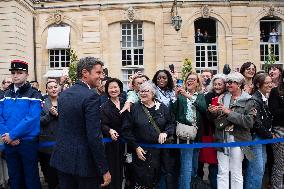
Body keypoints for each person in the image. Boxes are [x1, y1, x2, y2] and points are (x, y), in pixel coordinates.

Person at [50, 57, 111, 189]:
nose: (101, 76)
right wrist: (104, 169)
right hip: (84, 165)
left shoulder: (64, 94)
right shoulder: (91, 96)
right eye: (98, 72)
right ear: (85, 73)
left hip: (63, 161)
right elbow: (94, 136)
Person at [122, 81, 175, 189]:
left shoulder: (162, 107)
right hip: (141, 151)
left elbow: (171, 123)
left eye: (146, 91)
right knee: (141, 180)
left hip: (159, 152)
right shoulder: (133, 108)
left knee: (158, 179)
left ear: (153, 93)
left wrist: (166, 132)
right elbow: (126, 130)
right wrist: (136, 146)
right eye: (141, 91)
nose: (143, 93)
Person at [209, 72, 255, 189]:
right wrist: (213, 112)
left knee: (236, 172)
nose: (227, 85)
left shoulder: (249, 100)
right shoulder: (223, 97)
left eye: (230, 82)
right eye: (227, 82)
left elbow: (249, 122)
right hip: (222, 138)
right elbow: (217, 119)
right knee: (222, 172)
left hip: (239, 139)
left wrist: (229, 112)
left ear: (239, 84)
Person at [0, 60, 42, 189]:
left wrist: (12, 135)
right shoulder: (5, 94)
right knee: (14, 177)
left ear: (27, 74)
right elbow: (0, 117)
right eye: (13, 73)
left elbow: (32, 118)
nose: (15, 75)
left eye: (19, 72)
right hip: (9, 142)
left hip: (27, 142)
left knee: (31, 177)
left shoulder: (34, 93)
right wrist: (7, 136)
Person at [173, 71, 207, 189]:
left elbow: (203, 109)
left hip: (197, 135)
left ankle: (191, 186)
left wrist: (190, 97)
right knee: (186, 166)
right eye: (188, 79)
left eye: (193, 79)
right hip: (184, 135)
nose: (190, 81)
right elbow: (173, 112)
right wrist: (176, 97)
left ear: (197, 83)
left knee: (194, 166)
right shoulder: (180, 95)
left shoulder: (200, 96)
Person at [245, 73, 273, 189]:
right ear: (258, 84)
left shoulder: (263, 98)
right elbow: (256, 123)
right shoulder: (254, 100)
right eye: (267, 83)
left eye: (270, 82)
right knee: (256, 170)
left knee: (259, 169)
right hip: (255, 138)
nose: (270, 85)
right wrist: (270, 135)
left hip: (261, 138)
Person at [199, 73, 227, 189]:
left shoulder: (227, 96)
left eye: (220, 84)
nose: (217, 86)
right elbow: (205, 114)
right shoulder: (208, 96)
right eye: (215, 84)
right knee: (209, 161)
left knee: (219, 162)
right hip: (209, 132)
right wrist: (211, 112)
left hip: (224, 133)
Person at [152, 70, 178, 189]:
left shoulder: (172, 92)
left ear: (168, 79)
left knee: (169, 166)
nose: (161, 80)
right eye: (158, 78)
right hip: (155, 129)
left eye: (164, 78)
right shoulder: (153, 92)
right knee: (156, 166)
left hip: (170, 129)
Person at [100, 78, 126, 189]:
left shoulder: (126, 103)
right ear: (107, 90)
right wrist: (109, 130)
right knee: (115, 171)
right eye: (111, 88)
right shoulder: (104, 106)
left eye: (116, 87)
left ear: (120, 88)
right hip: (112, 144)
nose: (113, 90)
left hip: (127, 142)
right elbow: (102, 124)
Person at [39, 80, 60, 189]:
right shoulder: (42, 104)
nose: (53, 89)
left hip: (62, 144)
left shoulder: (65, 102)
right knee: (50, 176)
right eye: (50, 87)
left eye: (55, 87)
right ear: (46, 90)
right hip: (47, 145)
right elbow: (38, 121)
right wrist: (50, 115)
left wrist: (60, 114)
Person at [268, 70, 284, 189]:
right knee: (280, 164)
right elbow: (274, 111)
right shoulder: (276, 91)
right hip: (280, 130)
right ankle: (276, 186)